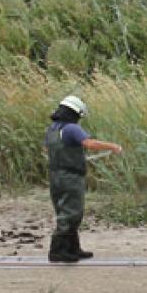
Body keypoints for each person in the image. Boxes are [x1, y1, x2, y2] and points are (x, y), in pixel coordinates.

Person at [44, 95, 122, 263]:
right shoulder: (72, 128)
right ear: (74, 113)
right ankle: (58, 251)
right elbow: (89, 144)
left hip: (55, 176)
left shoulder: (52, 130)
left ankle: (73, 249)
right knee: (72, 213)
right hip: (71, 177)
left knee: (63, 211)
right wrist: (112, 147)